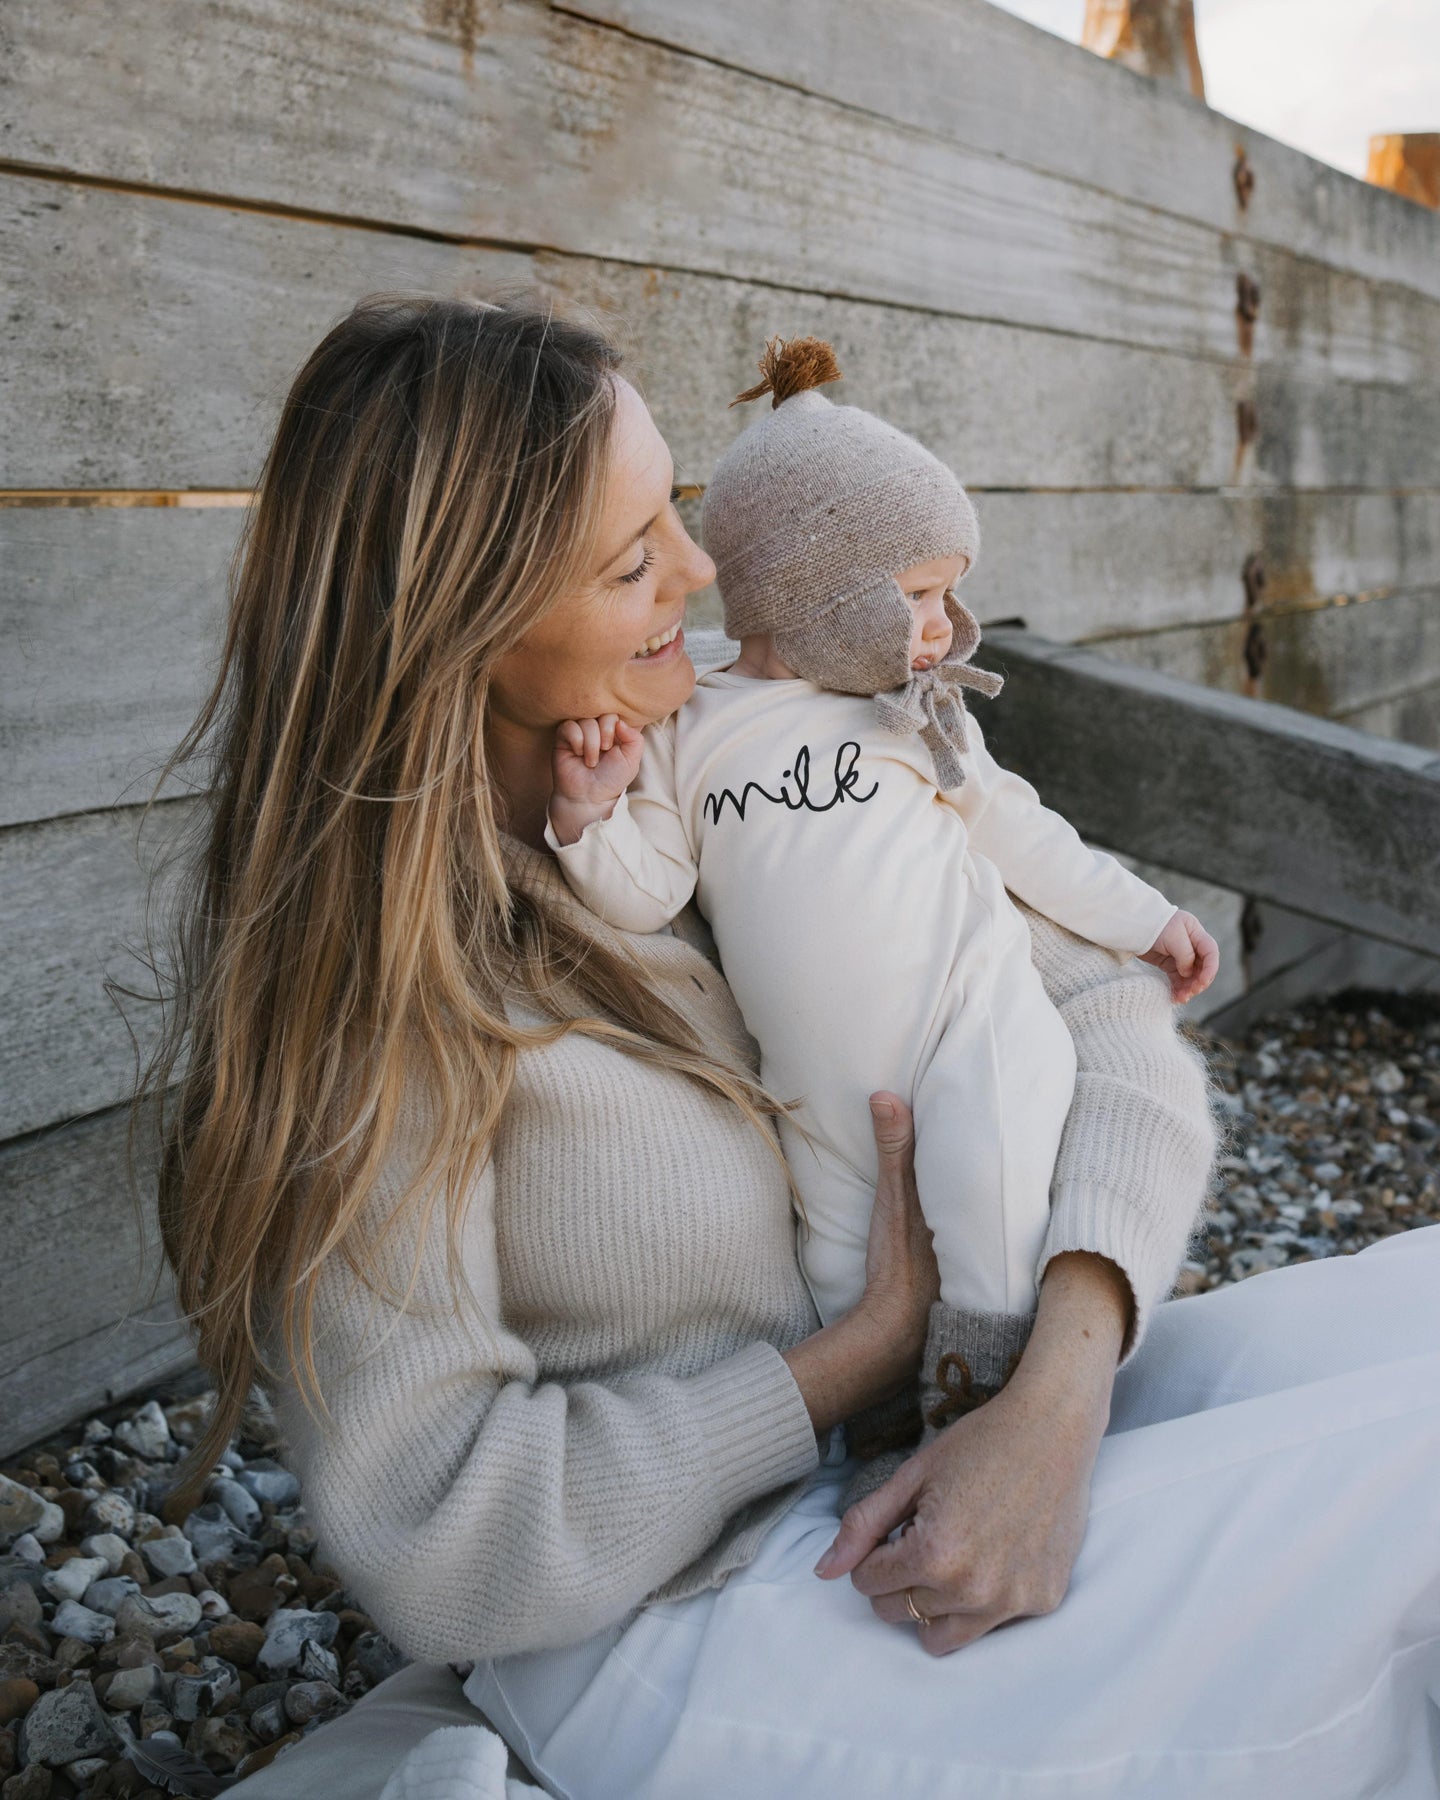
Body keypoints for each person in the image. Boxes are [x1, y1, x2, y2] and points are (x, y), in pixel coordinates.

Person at [145, 292, 1440, 1800]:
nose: (701, 575)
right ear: (468, 628)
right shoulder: (377, 1026)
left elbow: (1097, 1001)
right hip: (713, 1619)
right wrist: (848, 1362)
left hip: (953, 1430)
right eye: (636, 560)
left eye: (677, 519)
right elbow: (448, 1533)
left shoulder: (746, 718)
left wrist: (1058, 1393)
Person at [543, 334, 1220, 1461]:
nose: (940, 630)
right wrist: (589, 814)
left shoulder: (916, 713)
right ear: (818, 588)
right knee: (845, 1265)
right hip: (815, 1085)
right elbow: (643, 892)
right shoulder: (687, 721)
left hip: (968, 1017)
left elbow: (1023, 834)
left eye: (947, 598)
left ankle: (989, 1412)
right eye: (916, 596)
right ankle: (884, 1446)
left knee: (991, 1184)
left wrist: (1148, 920)